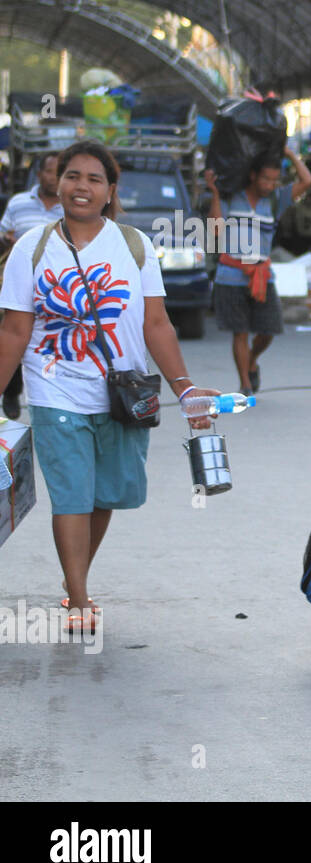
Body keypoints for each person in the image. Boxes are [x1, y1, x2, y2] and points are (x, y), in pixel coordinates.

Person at [0, 140, 217, 631]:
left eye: (94, 179)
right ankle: (78, 598)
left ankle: (76, 573)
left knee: (105, 496)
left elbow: (156, 324)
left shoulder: (134, 246)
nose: (82, 186)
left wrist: (185, 389)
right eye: (73, 176)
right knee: (72, 496)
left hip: (124, 395)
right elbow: (14, 331)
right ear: (58, 184)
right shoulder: (31, 248)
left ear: (110, 191)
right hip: (54, 391)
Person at [206, 145, 311, 395]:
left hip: (262, 276)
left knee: (268, 330)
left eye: (274, 180)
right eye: (265, 179)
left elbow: (307, 180)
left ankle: (252, 360)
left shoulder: (276, 200)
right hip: (230, 275)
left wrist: (289, 154)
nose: (269, 185)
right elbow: (215, 229)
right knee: (240, 333)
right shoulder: (232, 196)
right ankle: (245, 383)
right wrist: (214, 193)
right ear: (253, 175)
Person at [1, 152, 64, 419]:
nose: (54, 178)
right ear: (39, 174)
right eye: (50, 171)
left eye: (60, 173)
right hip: (19, 283)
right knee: (14, 335)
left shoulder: (70, 207)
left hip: (58, 289)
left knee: (51, 342)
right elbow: (3, 234)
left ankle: (54, 398)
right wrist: (9, 241)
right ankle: (12, 390)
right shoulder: (18, 203)